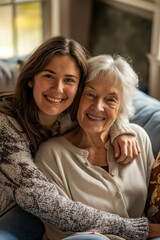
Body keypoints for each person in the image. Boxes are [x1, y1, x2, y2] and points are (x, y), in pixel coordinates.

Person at [0, 36, 141, 240]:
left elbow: (109, 103)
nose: (58, 89)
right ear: (31, 79)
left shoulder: (70, 114)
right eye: (49, 76)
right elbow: (43, 201)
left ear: (79, 87)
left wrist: (120, 127)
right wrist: (136, 229)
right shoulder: (5, 125)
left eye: (69, 80)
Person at [35, 54, 160, 240]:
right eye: (90, 95)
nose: (98, 106)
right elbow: (58, 230)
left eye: (111, 99)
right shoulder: (52, 155)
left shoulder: (137, 138)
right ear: (76, 98)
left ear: (121, 109)